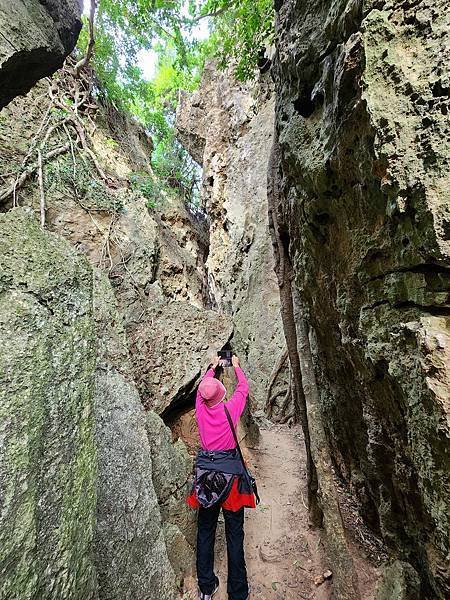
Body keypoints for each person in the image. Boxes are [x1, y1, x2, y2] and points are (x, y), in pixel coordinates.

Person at [187, 354, 255, 600]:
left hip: (206, 479)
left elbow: (202, 390)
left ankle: (207, 587)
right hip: (231, 481)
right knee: (234, 533)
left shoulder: (199, 408)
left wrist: (210, 367)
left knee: (205, 530)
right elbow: (244, 390)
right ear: (221, 394)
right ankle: (238, 592)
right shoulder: (230, 408)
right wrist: (236, 367)